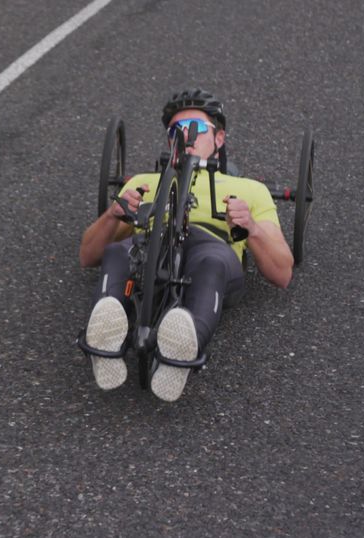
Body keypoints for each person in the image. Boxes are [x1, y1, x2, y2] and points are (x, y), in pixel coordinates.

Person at [79, 88, 293, 402]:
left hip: (212, 247)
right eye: (176, 131)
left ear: (219, 139)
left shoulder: (250, 190)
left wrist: (252, 228)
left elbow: (282, 272)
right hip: (152, 240)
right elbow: (88, 255)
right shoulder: (144, 183)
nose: (185, 136)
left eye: (196, 128)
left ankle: (181, 349)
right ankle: (106, 339)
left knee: (212, 263)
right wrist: (113, 214)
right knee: (115, 253)